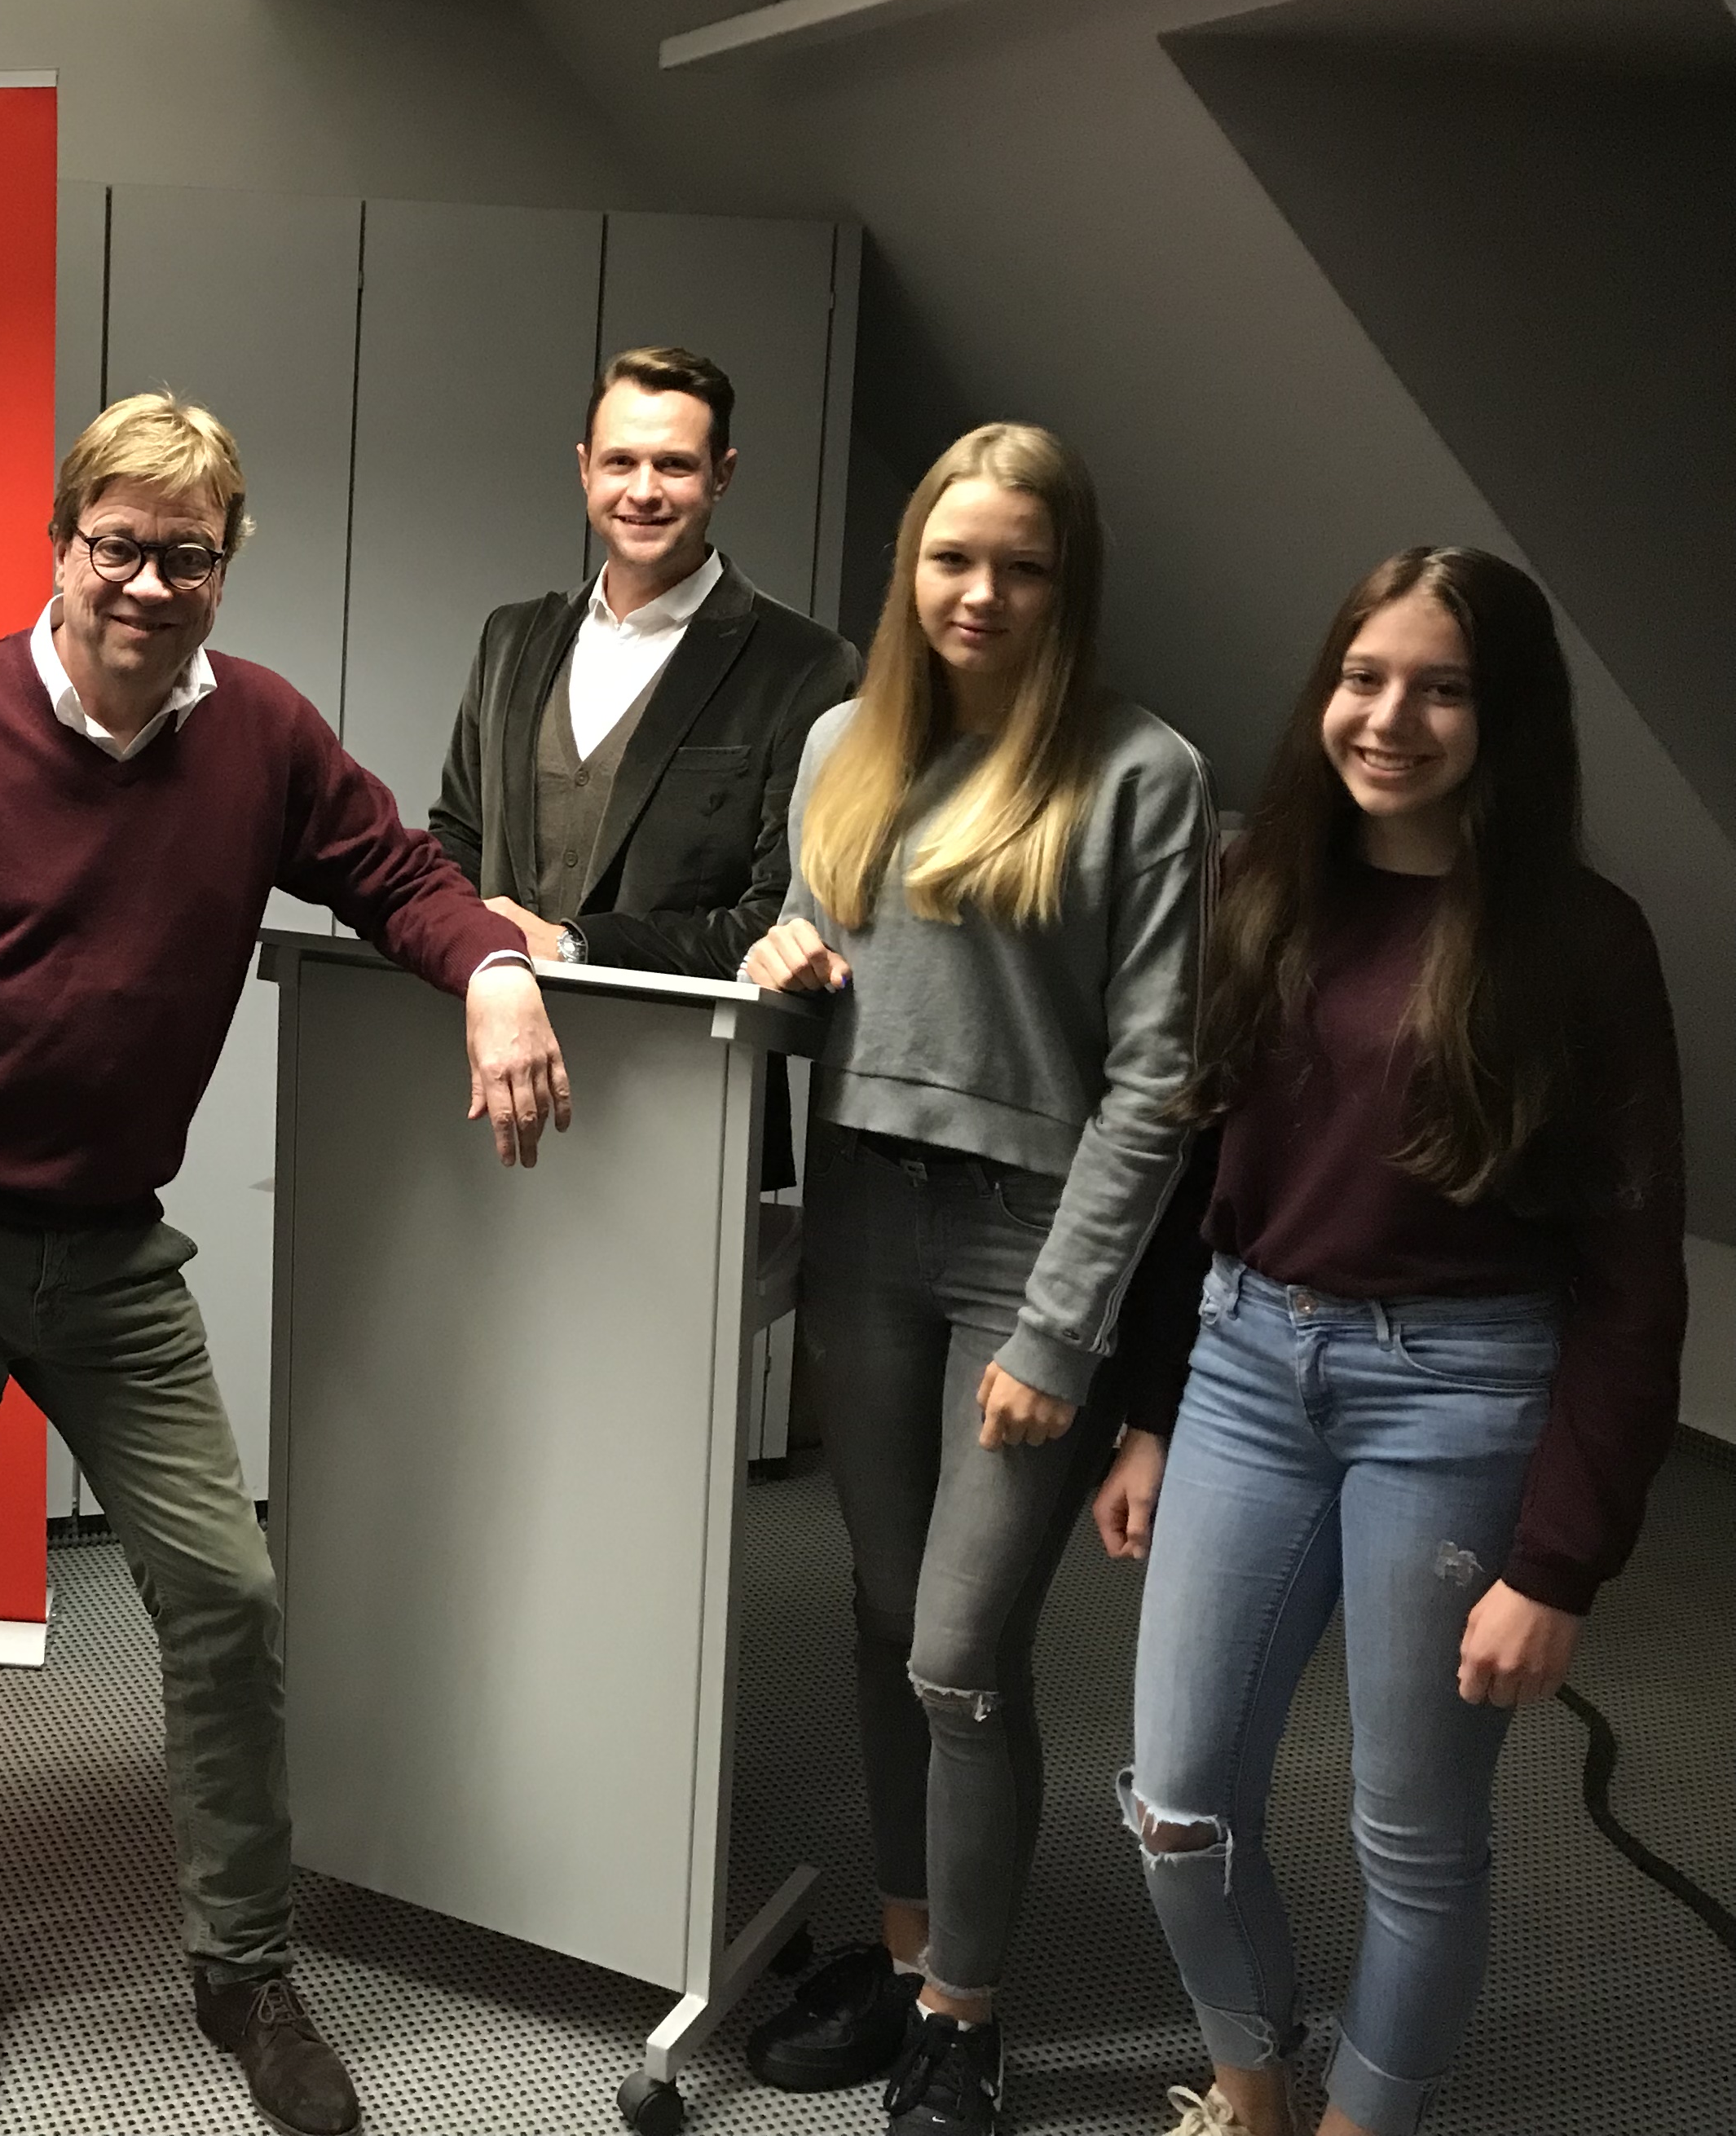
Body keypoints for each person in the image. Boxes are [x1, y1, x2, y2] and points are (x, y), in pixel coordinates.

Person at [0, 391, 573, 2135]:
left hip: (114, 1253)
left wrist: (494, 969)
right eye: (118, 545)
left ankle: (242, 1961)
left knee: (225, 1592)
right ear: (61, 545)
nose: (147, 582)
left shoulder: (258, 731)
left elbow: (392, 871)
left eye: (186, 555)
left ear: (225, 566)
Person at [1115, 549, 1684, 2136]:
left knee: (1413, 1839)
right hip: (1242, 1365)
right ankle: (1252, 2092)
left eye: (1442, 689)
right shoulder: (1260, 880)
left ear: (1507, 718)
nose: (1390, 717)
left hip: (1460, 1399)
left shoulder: (1584, 942)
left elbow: (1633, 1279)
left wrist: (1557, 1564)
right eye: (1364, 678)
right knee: (1176, 1803)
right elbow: (1195, 1168)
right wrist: (1151, 1411)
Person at [739, 421, 1210, 2136]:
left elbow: (1157, 1081)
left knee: (957, 1648)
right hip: (865, 1220)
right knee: (882, 1620)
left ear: (1067, 581)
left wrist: (1069, 1326)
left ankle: (967, 2014)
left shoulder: (1141, 771)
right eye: (953, 558)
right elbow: (822, 979)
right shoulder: (840, 745)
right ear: (909, 570)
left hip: (1029, 1240)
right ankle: (904, 1953)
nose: (982, 592)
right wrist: (779, 961)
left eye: (1021, 564)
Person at [433, 343, 857, 981]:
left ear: (722, 475)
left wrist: (575, 947)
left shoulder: (807, 668)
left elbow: (782, 919)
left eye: (674, 465)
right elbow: (456, 839)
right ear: (586, 469)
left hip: (681, 1040)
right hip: (492, 1024)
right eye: (621, 462)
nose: (643, 491)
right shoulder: (511, 640)